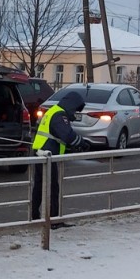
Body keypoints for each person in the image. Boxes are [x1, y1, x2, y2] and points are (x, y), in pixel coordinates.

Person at [31, 89, 87, 229]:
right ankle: (54, 221)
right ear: (72, 105)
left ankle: (34, 217)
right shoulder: (59, 115)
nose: (75, 113)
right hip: (47, 155)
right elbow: (67, 135)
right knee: (52, 188)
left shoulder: (53, 111)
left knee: (39, 187)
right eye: (76, 110)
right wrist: (82, 143)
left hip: (41, 152)